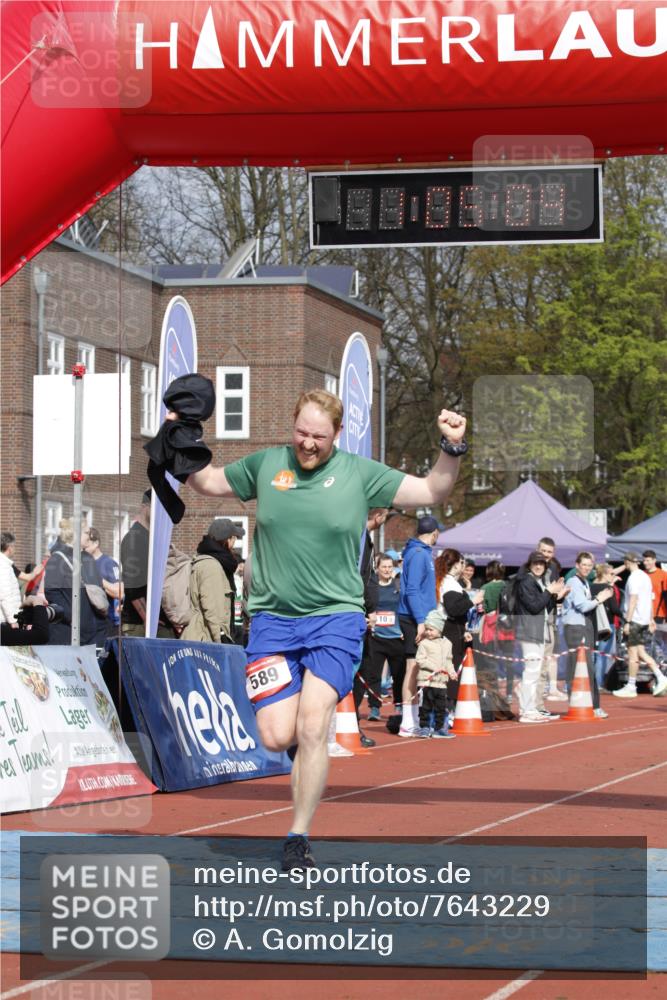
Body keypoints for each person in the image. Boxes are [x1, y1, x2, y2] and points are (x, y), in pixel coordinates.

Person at [175, 387, 466, 870]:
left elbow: (432, 490)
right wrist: (180, 432)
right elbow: (206, 481)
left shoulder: (360, 474)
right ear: (292, 426)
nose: (308, 444)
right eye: (301, 433)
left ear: (338, 434)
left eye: (319, 437)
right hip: (273, 621)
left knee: (313, 725)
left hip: (335, 618)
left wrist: (451, 446)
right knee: (275, 736)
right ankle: (303, 757)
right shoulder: (266, 465)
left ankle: (297, 836)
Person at [396, 515, 441, 737]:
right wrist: (421, 621)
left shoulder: (421, 553)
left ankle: (414, 718)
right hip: (414, 618)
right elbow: (412, 589)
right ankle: (407, 721)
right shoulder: (418, 554)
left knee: (418, 668)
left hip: (419, 616)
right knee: (412, 667)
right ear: (434, 533)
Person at [514, 551, 568, 723]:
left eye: (541, 564)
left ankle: (529, 709)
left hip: (538, 630)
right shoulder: (526, 581)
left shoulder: (537, 581)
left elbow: (545, 607)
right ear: (529, 565)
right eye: (535, 563)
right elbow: (534, 606)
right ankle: (527, 711)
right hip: (529, 631)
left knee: (535, 672)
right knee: (531, 672)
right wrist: (549, 591)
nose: (538, 566)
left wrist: (557, 596)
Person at [561, 551, 614, 718]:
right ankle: (588, 705)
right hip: (576, 628)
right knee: (582, 667)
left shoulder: (584, 582)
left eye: (589, 565)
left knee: (584, 667)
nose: (586, 568)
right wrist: (599, 599)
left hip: (584, 626)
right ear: (577, 565)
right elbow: (582, 606)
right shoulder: (574, 582)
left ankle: (587, 704)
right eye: (583, 564)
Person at [43, 519, 107, 646]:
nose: (89, 536)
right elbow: (52, 592)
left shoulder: (88, 557)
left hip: (94, 631)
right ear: (75, 533)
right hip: (69, 631)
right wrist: (71, 616)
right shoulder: (58, 558)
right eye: (86, 532)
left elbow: (98, 586)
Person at [613, 552, 667, 698]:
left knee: (633, 654)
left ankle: (631, 686)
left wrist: (628, 621)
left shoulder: (634, 578)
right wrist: (651, 619)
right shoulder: (645, 577)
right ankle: (660, 677)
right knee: (641, 652)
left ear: (627, 562)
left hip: (635, 620)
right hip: (643, 620)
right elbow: (649, 599)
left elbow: (633, 600)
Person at [120, 490, 174, 638]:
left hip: (157, 621)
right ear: (144, 507)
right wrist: (148, 618)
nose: (162, 513)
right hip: (141, 624)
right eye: (158, 508)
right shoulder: (134, 539)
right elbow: (132, 585)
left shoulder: (152, 538)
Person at [182, 518, 243, 644]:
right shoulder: (211, 566)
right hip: (206, 640)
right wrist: (221, 639)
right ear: (227, 540)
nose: (235, 542)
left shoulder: (212, 562)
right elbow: (211, 609)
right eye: (234, 538)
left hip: (206, 637)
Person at [360, 553, 405, 720]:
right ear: (377, 569)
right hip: (376, 637)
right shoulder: (371, 587)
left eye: (389, 567)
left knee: (398, 675)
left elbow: (404, 609)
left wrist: (404, 630)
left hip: (396, 637)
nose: (387, 570)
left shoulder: (398, 585)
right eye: (383, 567)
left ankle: (399, 706)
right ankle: (374, 708)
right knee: (374, 675)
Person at [535, 536, 567, 704]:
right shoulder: (531, 568)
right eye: (543, 551)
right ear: (537, 550)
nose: (546, 555)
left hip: (551, 617)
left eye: (549, 552)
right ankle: (532, 701)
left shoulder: (553, 567)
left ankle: (543, 697)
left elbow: (553, 594)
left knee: (549, 656)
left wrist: (560, 596)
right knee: (536, 659)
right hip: (535, 618)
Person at [416, 608, 457, 738]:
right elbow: (420, 660)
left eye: (431, 629)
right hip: (427, 681)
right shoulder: (424, 644)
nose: (428, 632)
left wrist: (452, 672)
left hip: (441, 682)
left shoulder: (447, 644)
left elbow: (448, 660)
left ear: (440, 629)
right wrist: (434, 668)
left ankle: (439, 729)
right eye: (427, 629)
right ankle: (424, 727)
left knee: (441, 707)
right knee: (425, 706)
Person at [82, 527, 123, 633]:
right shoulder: (81, 563)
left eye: (85, 547)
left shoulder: (109, 563)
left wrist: (98, 580)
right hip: (86, 623)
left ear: (96, 543)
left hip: (105, 623)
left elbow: (119, 592)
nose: (83, 550)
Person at [591, 562, 623, 693]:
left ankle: (591, 682)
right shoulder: (608, 588)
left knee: (593, 654)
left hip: (593, 624)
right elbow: (614, 608)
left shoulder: (590, 586)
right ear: (604, 574)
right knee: (603, 655)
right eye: (611, 574)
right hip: (606, 625)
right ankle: (599, 683)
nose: (613, 576)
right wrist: (626, 618)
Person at [642, 550, 667, 662]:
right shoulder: (641, 575)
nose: (645, 563)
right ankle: (652, 666)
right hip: (644, 615)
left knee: (661, 642)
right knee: (647, 643)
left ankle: (662, 665)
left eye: (648, 560)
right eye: (644, 560)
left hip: (660, 614)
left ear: (654, 560)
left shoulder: (663, 575)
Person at [0, 531, 22, 627]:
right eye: (14, 546)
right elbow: (5, 595)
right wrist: (13, 620)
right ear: (9, 547)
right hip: (4, 620)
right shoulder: (3, 566)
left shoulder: (5, 564)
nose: (14, 549)